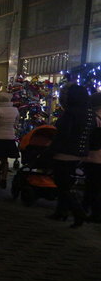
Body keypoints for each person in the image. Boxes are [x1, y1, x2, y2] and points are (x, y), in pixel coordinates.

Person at [48, 83, 94, 228]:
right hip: (80, 152)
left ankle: (77, 212)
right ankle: (61, 211)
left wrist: (52, 149)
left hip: (65, 152)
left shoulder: (70, 113)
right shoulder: (89, 113)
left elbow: (63, 134)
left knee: (62, 184)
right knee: (66, 183)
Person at [82, 92, 101, 223]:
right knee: (94, 186)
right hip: (96, 157)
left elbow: (92, 140)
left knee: (92, 186)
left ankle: (93, 212)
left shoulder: (94, 118)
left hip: (94, 156)